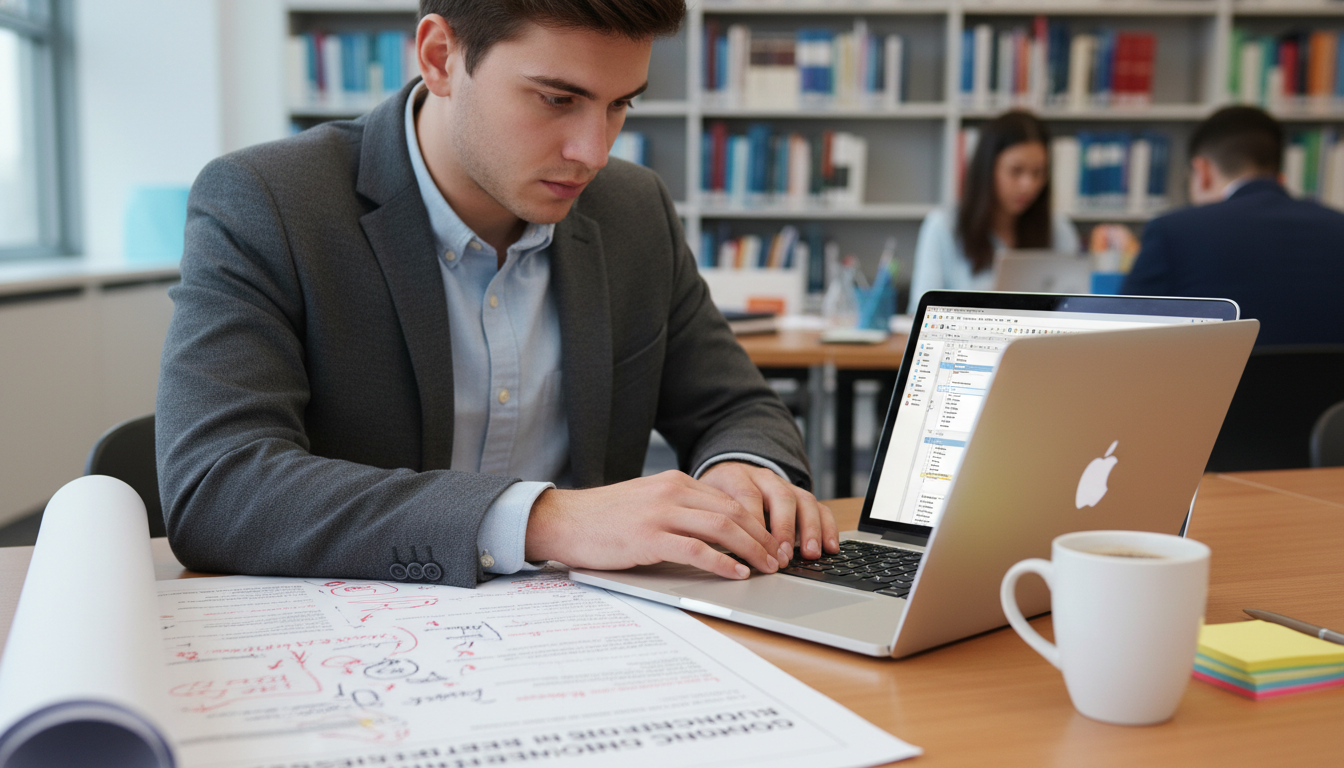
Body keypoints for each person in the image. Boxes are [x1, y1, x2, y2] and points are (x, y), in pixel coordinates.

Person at [155, 0, 838, 589]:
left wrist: (740, 471)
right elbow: (219, 485)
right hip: (364, 642)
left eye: (620, 104)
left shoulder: (634, 211)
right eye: (557, 99)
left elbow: (736, 406)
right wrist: (545, 519)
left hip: (599, 640)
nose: (594, 152)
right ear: (440, 58)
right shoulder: (268, 202)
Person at [1122, 106, 1344, 345]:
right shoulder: (1337, 227)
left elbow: (1120, 337)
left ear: (1202, 171)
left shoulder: (1173, 232)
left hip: (1213, 371)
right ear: (1279, 172)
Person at [907, 111, 1079, 309]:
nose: (1028, 185)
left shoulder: (1060, 230)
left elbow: (1073, 306)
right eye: (1016, 171)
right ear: (988, 169)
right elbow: (920, 311)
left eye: (1038, 173)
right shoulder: (943, 226)